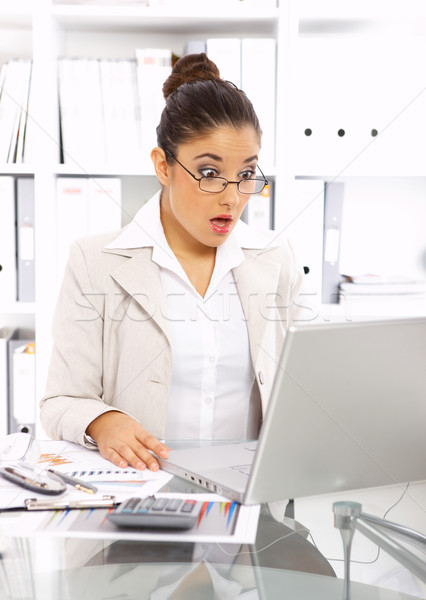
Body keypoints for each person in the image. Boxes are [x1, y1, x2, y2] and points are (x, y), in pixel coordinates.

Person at [40, 53, 303, 473]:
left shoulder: (275, 259)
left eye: (247, 173)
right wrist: (104, 421)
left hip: (249, 501)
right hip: (138, 501)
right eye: (209, 172)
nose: (232, 197)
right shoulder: (94, 262)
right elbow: (60, 401)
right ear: (163, 166)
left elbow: (301, 391)